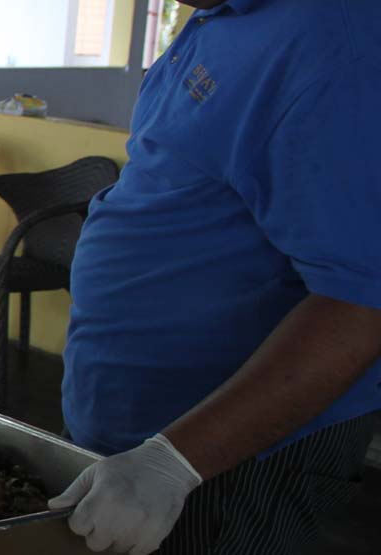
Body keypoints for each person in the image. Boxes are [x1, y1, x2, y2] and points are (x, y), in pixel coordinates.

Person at [50, 1, 381, 554]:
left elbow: (362, 302)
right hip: (130, 431)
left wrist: (174, 463)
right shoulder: (218, 14)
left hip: (229, 460)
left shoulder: (336, 44)